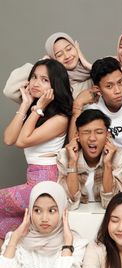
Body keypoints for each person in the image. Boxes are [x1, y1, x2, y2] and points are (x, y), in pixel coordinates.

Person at [0, 59, 73, 246]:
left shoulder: (60, 118)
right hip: (33, 179)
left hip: (46, 182)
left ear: (55, 85)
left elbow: (22, 141)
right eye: (33, 77)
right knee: (8, 225)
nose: (35, 83)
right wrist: (25, 105)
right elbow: (8, 139)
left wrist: (38, 107)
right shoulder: (36, 112)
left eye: (44, 80)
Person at [0, 181, 88, 268]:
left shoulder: (76, 244)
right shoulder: (20, 241)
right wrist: (14, 240)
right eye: (37, 210)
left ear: (64, 212)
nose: (44, 218)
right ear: (29, 212)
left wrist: (67, 245)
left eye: (52, 210)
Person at [57, 109, 122, 209]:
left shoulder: (118, 156)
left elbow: (110, 204)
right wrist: (72, 162)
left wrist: (108, 164)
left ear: (107, 135)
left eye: (99, 132)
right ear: (77, 136)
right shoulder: (64, 156)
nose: (92, 138)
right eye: (86, 132)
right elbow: (71, 203)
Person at [3, 32, 92, 102]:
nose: (67, 56)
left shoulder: (96, 73)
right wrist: (41, 65)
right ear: (53, 58)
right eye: (59, 55)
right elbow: (10, 91)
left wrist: (88, 65)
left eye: (69, 49)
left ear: (76, 48)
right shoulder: (53, 85)